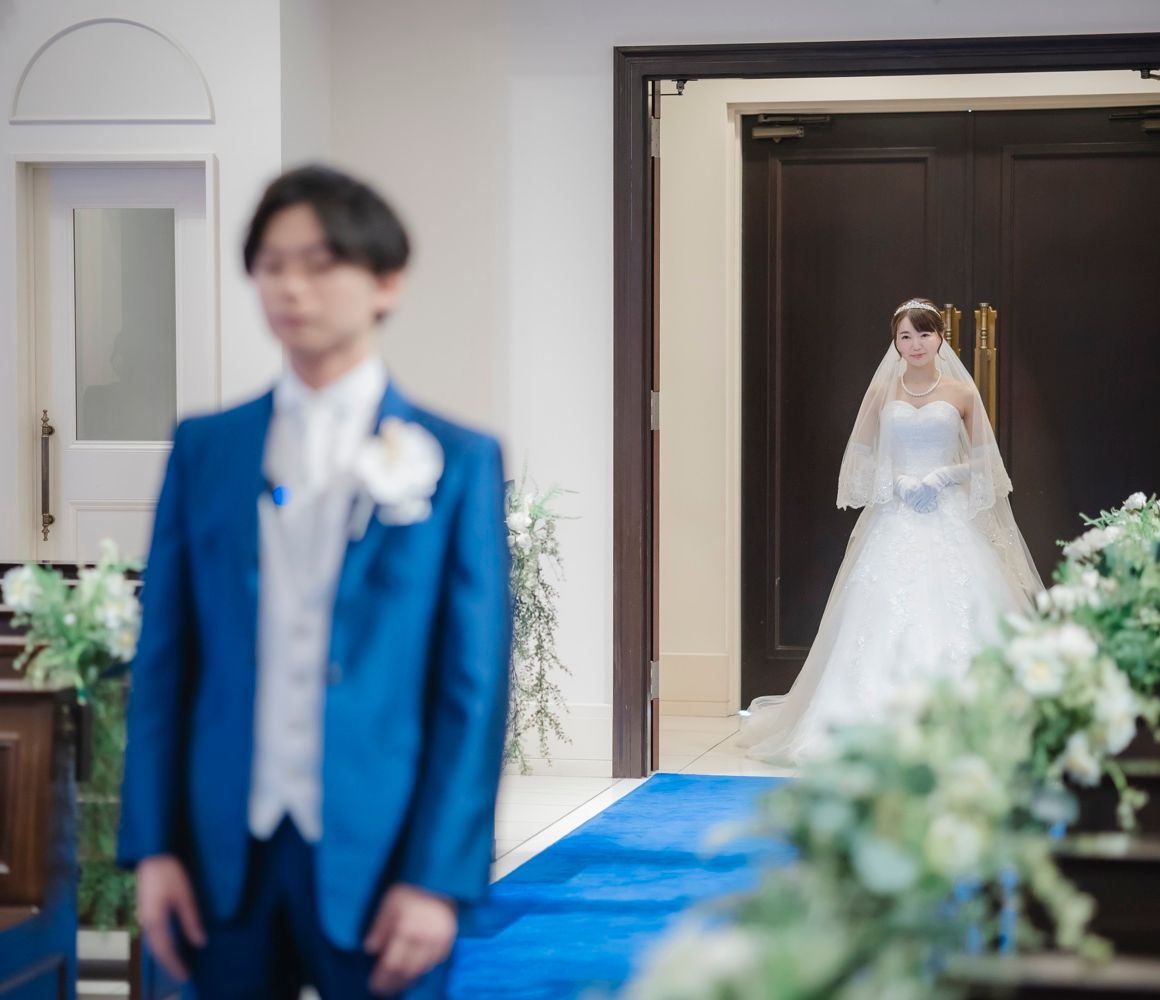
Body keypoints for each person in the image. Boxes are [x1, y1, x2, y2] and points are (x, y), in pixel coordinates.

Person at [117, 165, 512, 998]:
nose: (291, 287)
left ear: (387, 282)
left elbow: (471, 690)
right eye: (271, 265)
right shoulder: (206, 449)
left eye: (321, 263)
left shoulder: (458, 460)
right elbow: (164, 664)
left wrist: (438, 878)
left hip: (386, 858)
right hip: (221, 852)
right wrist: (154, 849)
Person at [738, 297, 1042, 764]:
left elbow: (986, 462)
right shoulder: (883, 392)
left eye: (924, 333)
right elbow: (860, 457)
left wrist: (943, 476)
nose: (915, 344)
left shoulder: (962, 393)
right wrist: (895, 482)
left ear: (940, 338)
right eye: (905, 336)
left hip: (946, 512)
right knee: (876, 608)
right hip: (896, 514)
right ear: (895, 343)